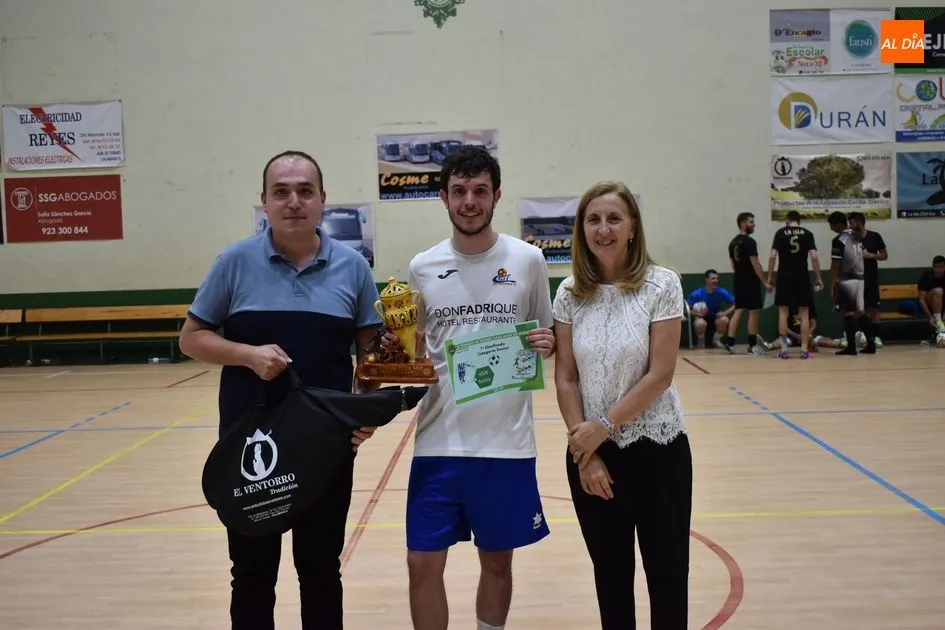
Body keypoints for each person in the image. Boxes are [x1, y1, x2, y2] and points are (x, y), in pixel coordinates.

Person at [179, 150, 385, 630]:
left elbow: (371, 354)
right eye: (282, 192)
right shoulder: (233, 262)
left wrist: (364, 409)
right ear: (265, 201)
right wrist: (247, 354)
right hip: (251, 450)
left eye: (305, 191)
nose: (294, 201)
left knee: (320, 571)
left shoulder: (353, 267)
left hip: (325, 449)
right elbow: (191, 339)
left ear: (322, 200)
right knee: (251, 575)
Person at [404, 146, 557, 630]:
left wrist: (547, 343)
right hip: (437, 442)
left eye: (479, 191)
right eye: (459, 191)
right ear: (444, 198)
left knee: (497, 563)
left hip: (505, 445)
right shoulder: (422, 266)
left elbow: (546, 334)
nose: (469, 201)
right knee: (421, 564)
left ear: (496, 196)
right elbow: (413, 349)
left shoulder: (528, 260)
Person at [553, 180, 691, 630]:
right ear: (582, 229)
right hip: (592, 457)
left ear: (632, 227)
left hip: (658, 452)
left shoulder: (662, 284)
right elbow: (566, 377)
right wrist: (586, 452)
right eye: (593, 219)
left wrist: (603, 427)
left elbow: (660, 375)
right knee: (611, 581)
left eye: (614, 218)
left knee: (667, 578)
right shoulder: (569, 293)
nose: (603, 229)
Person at [767, 211, 823, 359]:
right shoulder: (807, 234)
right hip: (802, 276)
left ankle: (784, 350)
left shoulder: (780, 233)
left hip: (784, 276)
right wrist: (818, 278)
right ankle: (804, 350)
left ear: (787, 220)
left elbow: (772, 256)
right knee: (804, 313)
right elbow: (814, 257)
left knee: (783, 312)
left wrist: (770, 276)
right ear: (799, 221)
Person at [721, 212, 772, 354]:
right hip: (750, 281)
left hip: (738, 279)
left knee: (738, 310)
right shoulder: (750, 242)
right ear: (743, 223)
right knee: (754, 312)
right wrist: (765, 282)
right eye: (751, 222)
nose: (754, 225)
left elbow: (733, 265)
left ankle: (730, 342)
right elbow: (755, 263)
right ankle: (752, 345)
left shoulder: (733, 242)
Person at [828, 211, 875, 355]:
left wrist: (832, 285)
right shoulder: (857, 235)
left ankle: (851, 347)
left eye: (831, 225)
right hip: (860, 278)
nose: (830, 228)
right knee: (860, 312)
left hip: (847, 278)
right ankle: (871, 344)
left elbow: (835, 264)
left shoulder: (839, 240)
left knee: (847, 313)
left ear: (838, 224)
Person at [847, 212, 887, 324]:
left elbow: (884, 255)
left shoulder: (874, 236)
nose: (850, 226)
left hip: (871, 279)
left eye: (851, 223)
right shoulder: (848, 238)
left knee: (874, 310)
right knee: (857, 311)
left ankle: (875, 333)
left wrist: (870, 255)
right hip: (855, 279)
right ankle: (859, 333)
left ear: (860, 222)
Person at [686, 269, 735, 348]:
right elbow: (686, 310)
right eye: (713, 279)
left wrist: (725, 313)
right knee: (700, 323)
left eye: (717, 279)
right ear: (706, 280)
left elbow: (736, 304)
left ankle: (716, 340)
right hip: (701, 319)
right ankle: (701, 343)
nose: (716, 281)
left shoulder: (721, 292)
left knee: (724, 320)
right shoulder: (697, 294)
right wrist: (698, 314)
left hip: (715, 317)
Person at [918, 254, 945, 334]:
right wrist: (930, 317)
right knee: (938, 291)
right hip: (929, 303)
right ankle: (939, 323)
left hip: (943, 305)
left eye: (941, 267)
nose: (938, 270)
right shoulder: (926, 276)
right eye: (935, 267)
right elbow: (922, 300)